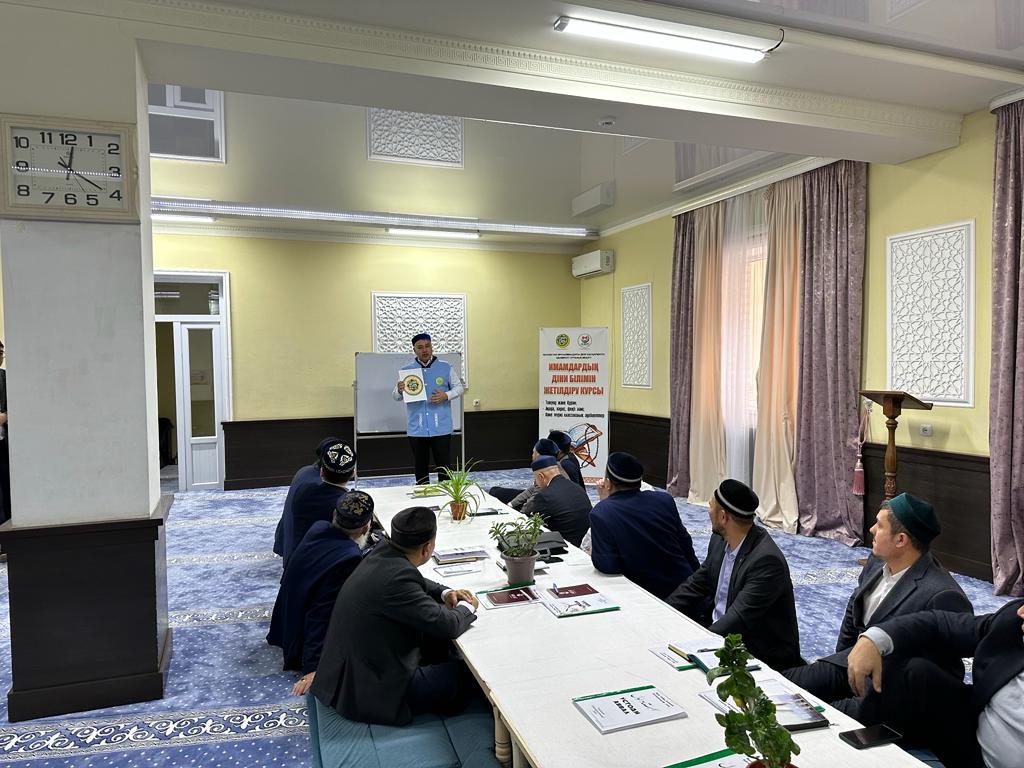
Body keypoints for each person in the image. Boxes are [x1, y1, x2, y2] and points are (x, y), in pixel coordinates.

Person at [782, 493, 971, 714]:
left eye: (879, 526)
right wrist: (840, 659)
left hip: (889, 692)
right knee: (782, 686)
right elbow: (854, 610)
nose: (871, 529)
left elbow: (935, 676)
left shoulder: (943, 596)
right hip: (852, 664)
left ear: (900, 540)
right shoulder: (877, 560)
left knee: (808, 717)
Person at [311, 506, 480, 725]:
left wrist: (445, 592)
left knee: (437, 642)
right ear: (428, 548)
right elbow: (448, 625)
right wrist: (468, 606)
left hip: (352, 670)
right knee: (468, 674)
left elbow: (416, 580)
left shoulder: (382, 551)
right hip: (372, 690)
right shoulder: (399, 581)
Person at [845, 600, 1024, 768]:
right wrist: (874, 640)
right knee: (913, 671)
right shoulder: (1014, 618)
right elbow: (941, 624)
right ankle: (856, 749)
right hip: (979, 742)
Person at [667, 479, 802, 671]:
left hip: (754, 653)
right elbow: (696, 584)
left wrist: (695, 648)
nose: (708, 512)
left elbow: (737, 619)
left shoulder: (766, 562)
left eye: (710, 507)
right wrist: (663, 612)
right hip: (720, 634)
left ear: (723, 517)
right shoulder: (720, 539)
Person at [269, 491, 376, 682]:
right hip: (301, 640)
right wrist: (313, 667)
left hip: (285, 622)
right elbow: (322, 610)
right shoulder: (349, 557)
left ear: (334, 515)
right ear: (366, 528)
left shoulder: (318, 527)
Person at [589, 452, 699, 600]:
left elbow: (607, 566)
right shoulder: (664, 499)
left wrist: (604, 502)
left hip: (650, 599)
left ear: (608, 483)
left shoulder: (601, 512)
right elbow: (686, 545)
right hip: (687, 589)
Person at [393, 333, 465, 485]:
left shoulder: (445, 367)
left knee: (444, 467)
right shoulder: (406, 371)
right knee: (420, 466)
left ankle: (446, 494)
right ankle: (422, 494)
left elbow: (459, 388)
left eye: (427, 346)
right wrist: (399, 390)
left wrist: (446, 395)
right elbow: (396, 396)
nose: (424, 350)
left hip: (441, 427)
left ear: (432, 347)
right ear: (414, 350)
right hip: (417, 428)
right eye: (420, 347)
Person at [276, 439, 357, 568]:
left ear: (322, 470)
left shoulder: (304, 472)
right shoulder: (338, 503)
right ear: (353, 473)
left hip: (288, 547)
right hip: (305, 565)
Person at [521, 455, 591, 547]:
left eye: (535, 480)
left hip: (563, 546)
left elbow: (528, 519)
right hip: (584, 543)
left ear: (541, 476)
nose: (536, 483)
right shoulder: (577, 488)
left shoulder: (545, 495)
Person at [488, 438, 560, 508]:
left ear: (539, 455)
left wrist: (519, 510)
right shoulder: (553, 466)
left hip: (538, 506)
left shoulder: (545, 473)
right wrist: (511, 504)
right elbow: (533, 490)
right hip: (536, 500)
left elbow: (534, 501)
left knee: (495, 493)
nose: (532, 456)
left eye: (533, 452)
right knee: (495, 490)